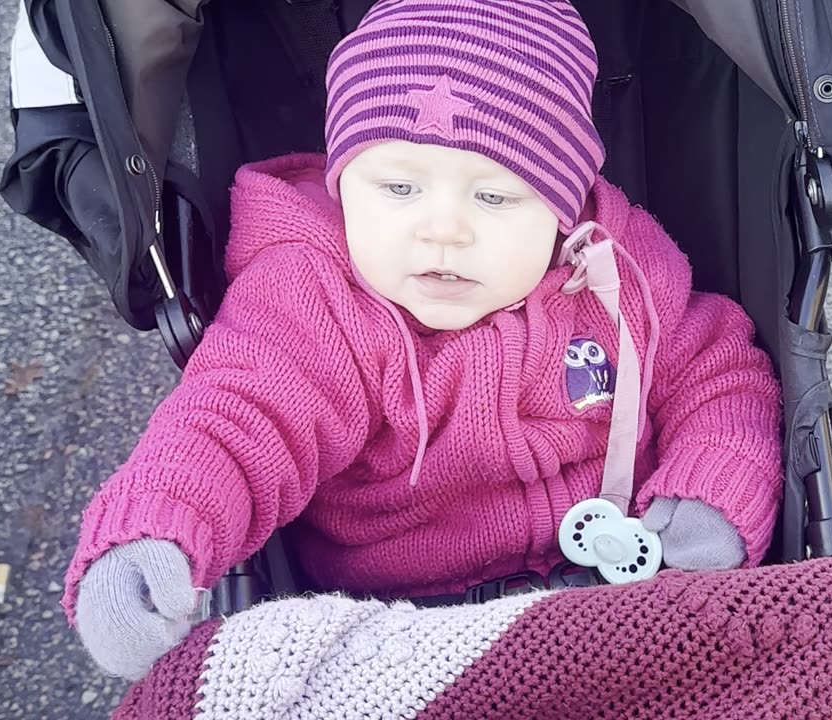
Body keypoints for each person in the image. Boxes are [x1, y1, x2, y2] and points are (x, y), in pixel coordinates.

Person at [61, 0, 782, 681]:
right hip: (393, 636)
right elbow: (238, 416)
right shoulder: (314, 295)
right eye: (398, 189)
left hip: (621, 604)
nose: (443, 229)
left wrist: (709, 494)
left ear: (564, 209)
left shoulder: (618, 273)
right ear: (345, 186)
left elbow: (719, 376)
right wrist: (154, 526)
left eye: (494, 197)